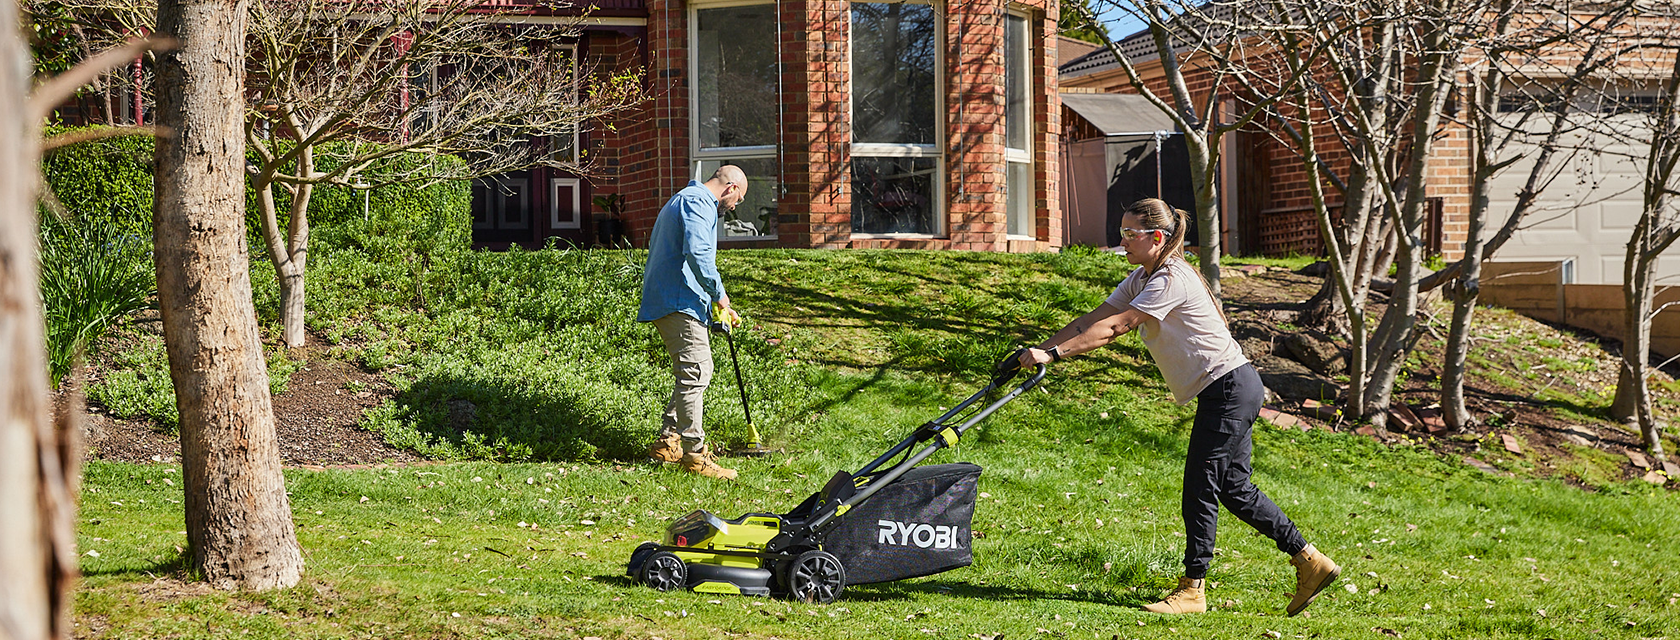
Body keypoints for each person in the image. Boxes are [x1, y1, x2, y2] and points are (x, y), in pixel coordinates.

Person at [1016, 198, 1340, 616]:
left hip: (1228, 388)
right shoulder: (1142, 276)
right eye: (1121, 233)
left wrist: (1056, 356)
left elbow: (1119, 326)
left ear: (1156, 237)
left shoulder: (1171, 278)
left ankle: (1193, 589)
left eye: (1130, 235)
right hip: (1228, 388)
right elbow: (1094, 318)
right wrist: (1038, 349)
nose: (1122, 242)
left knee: (1201, 485)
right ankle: (1310, 561)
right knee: (1234, 488)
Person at [638, 166, 750, 480]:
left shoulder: (684, 199)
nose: (733, 206)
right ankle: (695, 454)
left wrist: (716, 307)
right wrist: (720, 296)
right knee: (697, 372)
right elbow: (699, 254)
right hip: (677, 301)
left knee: (694, 372)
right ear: (730, 188)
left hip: (676, 299)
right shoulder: (698, 201)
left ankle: (669, 442)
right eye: (737, 199)